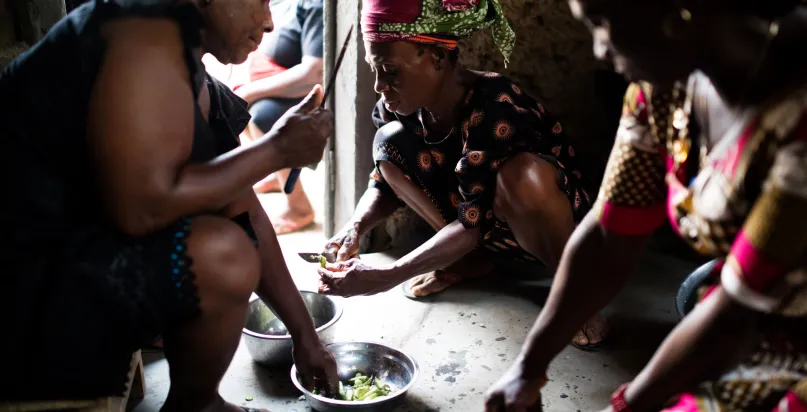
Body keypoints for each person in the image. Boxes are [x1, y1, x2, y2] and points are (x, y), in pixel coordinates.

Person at [0, 0, 338, 410]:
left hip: (68, 246)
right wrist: (276, 150)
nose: (269, 22)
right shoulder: (139, 34)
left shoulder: (192, 75)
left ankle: (199, 402)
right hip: (20, 275)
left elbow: (243, 209)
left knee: (231, 237)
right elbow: (141, 208)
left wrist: (305, 335)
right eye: (261, 1)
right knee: (223, 257)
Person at [483, 0, 807, 411]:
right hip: (746, 309)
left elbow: (737, 318)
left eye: (602, 24)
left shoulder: (797, 117)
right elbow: (606, 236)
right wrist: (527, 367)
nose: (599, 49)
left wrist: (627, 405)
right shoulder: (665, 89)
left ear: (678, 15)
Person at [316, 0, 606, 349]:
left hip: (555, 227)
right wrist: (355, 227)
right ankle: (470, 263)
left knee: (522, 177)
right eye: (374, 69)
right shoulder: (399, 108)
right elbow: (383, 186)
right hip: (482, 226)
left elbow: (472, 226)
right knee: (387, 144)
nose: (380, 85)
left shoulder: (495, 104)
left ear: (437, 58)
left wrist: (387, 277)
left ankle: (578, 291)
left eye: (391, 71)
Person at [234, 0, 324, 235]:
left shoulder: (317, 6)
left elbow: (314, 73)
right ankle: (278, 176)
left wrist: (251, 91)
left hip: (308, 93)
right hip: (283, 86)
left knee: (259, 115)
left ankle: (300, 208)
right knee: (239, 107)